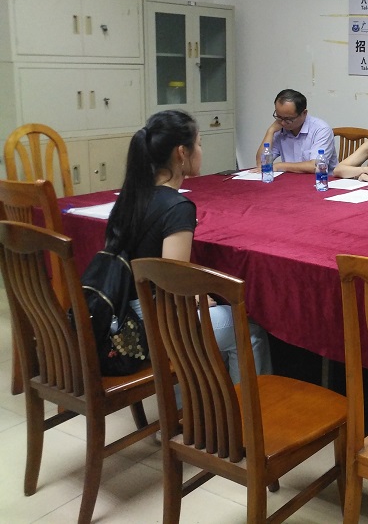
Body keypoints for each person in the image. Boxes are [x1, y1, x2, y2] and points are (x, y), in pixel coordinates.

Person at [107, 110, 272, 384]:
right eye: (199, 144)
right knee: (249, 329)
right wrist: (196, 297)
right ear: (182, 153)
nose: (201, 151)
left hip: (124, 309)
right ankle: (245, 407)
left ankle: (198, 399)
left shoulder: (131, 195)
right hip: (152, 321)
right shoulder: (177, 207)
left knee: (218, 313)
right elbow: (173, 284)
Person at [254, 88, 337, 173]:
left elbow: (316, 166)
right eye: (279, 117)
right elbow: (261, 164)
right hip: (290, 179)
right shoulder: (279, 128)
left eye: (288, 119)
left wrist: (279, 166)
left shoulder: (321, 129)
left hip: (320, 179)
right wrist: (270, 131)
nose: (283, 122)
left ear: (304, 113)